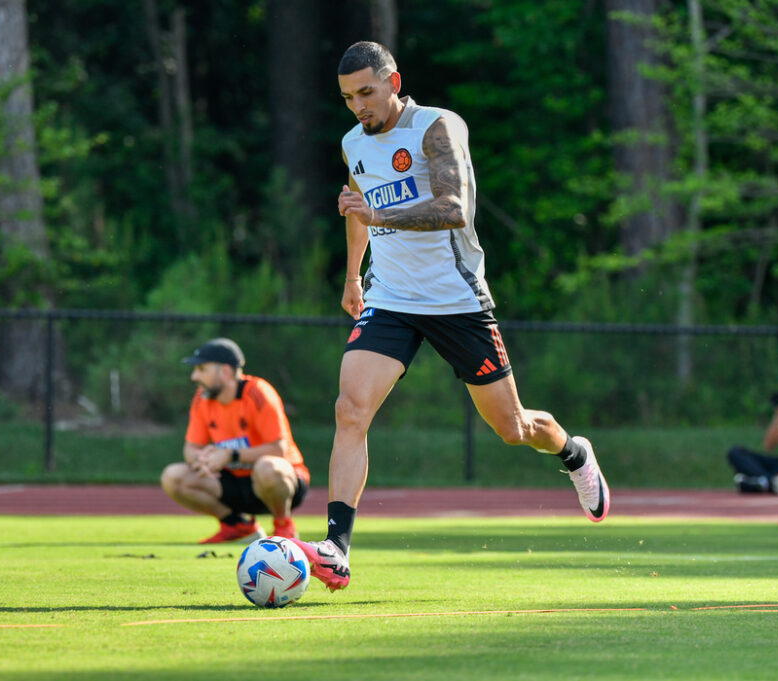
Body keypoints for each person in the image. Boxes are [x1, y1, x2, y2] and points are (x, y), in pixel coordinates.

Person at [292, 41, 610, 591]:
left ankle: (572, 450)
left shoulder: (437, 126)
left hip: (456, 300)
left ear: (394, 82)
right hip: (389, 298)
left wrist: (377, 210)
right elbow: (356, 208)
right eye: (347, 98)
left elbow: (455, 207)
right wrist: (352, 275)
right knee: (350, 409)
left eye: (367, 92)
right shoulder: (352, 143)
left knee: (513, 430)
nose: (358, 106)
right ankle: (336, 547)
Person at [160, 338, 311, 543]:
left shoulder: (258, 393)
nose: (194, 376)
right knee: (172, 477)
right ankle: (237, 526)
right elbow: (191, 448)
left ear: (225, 371)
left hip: (279, 482)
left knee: (268, 468)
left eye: (201, 369)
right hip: (233, 481)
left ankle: (284, 525)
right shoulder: (202, 399)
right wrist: (201, 459)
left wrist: (231, 455)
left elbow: (279, 450)